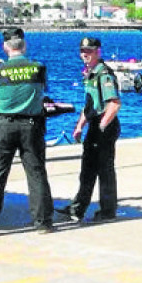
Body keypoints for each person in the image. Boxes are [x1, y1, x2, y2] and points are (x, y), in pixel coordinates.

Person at [0, 28, 54, 236]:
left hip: (4, 125)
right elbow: (42, 91)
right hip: (31, 124)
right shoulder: (38, 68)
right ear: (24, 45)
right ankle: (43, 223)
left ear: (5, 47)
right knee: (36, 173)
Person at [55, 37, 121, 223]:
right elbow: (89, 105)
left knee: (104, 170)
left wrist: (101, 126)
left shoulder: (104, 74)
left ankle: (108, 210)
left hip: (105, 125)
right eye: (83, 51)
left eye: (89, 51)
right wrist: (79, 127)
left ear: (98, 52)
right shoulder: (90, 74)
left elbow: (114, 105)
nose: (85, 54)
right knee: (87, 169)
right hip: (95, 124)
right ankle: (77, 208)